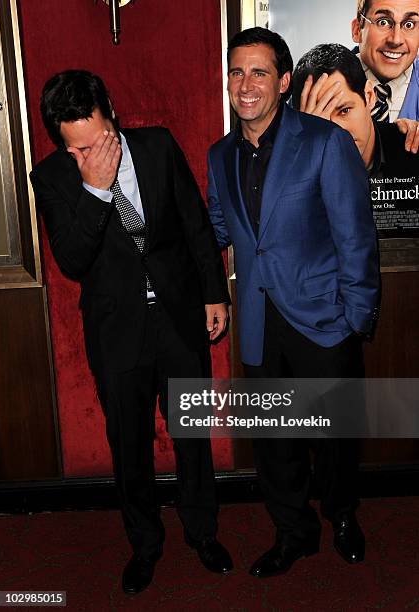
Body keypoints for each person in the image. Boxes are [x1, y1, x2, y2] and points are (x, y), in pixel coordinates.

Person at [30, 70, 232, 595]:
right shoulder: (51, 178)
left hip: (179, 319)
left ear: (112, 115)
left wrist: (214, 293)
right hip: (117, 332)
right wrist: (94, 188)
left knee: (191, 436)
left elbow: (194, 224)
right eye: (77, 150)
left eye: (97, 143)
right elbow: (73, 260)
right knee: (130, 444)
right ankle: (145, 544)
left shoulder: (158, 146)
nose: (91, 155)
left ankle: (202, 532)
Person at [207, 27, 380, 578]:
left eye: (259, 72)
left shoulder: (325, 141)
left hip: (324, 319)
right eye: (237, 72)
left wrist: (355, 318)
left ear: (283, 81)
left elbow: (356, 236)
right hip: (259, 324)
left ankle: (343, 516)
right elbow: (215, 230)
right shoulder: (219, 156)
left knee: (334, 440)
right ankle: (293, 533)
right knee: (275, 445)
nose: (246, 84)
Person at [292, 43, 419, 236]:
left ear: (369, 97)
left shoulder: (411, 148)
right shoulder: (288, 172)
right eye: (320, 122)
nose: (336, 134)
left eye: (344, 111)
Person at [352, 0, 419, 120]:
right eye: (383, 22)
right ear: (357, 30)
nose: (396, 40)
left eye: (409, 24)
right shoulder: (324, 83)